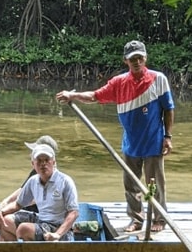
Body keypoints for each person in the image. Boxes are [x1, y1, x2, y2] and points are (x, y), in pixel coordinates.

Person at [56, 40, 175, 233]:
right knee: (131, 185)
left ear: (145, 58)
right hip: (131, 144)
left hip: (154, 142)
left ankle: (159, 218)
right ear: (126, 61)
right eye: (132, 59)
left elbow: (168, 109)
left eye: (139, 58)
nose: (136, 62)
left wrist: (167, 136)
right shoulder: (119, 83)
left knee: (155, 185)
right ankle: (136, 219)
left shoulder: (158, 79)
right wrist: (73, 95)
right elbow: (95, 96)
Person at [0, 144, 79, 242]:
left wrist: (57, 234)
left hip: (57, 227)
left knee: (23, 229)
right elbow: (18, 204)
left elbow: (74, 212)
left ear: (54, 162)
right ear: (33, 164)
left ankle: (27, 249)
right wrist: (1, 212)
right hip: (41, 221)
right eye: (39, 160)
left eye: (47, 160)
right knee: (3, 220)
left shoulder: (65, 181)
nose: (43, 164)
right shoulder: (33, 181)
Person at [0, 135, 57, 232]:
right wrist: (5, 202)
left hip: (44, 220)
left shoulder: (55, 177)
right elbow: (23, 190)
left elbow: (31, 199)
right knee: (1, 222)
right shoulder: (36, 171)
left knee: (6, 221)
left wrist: (8, 209)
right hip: (30, 213)